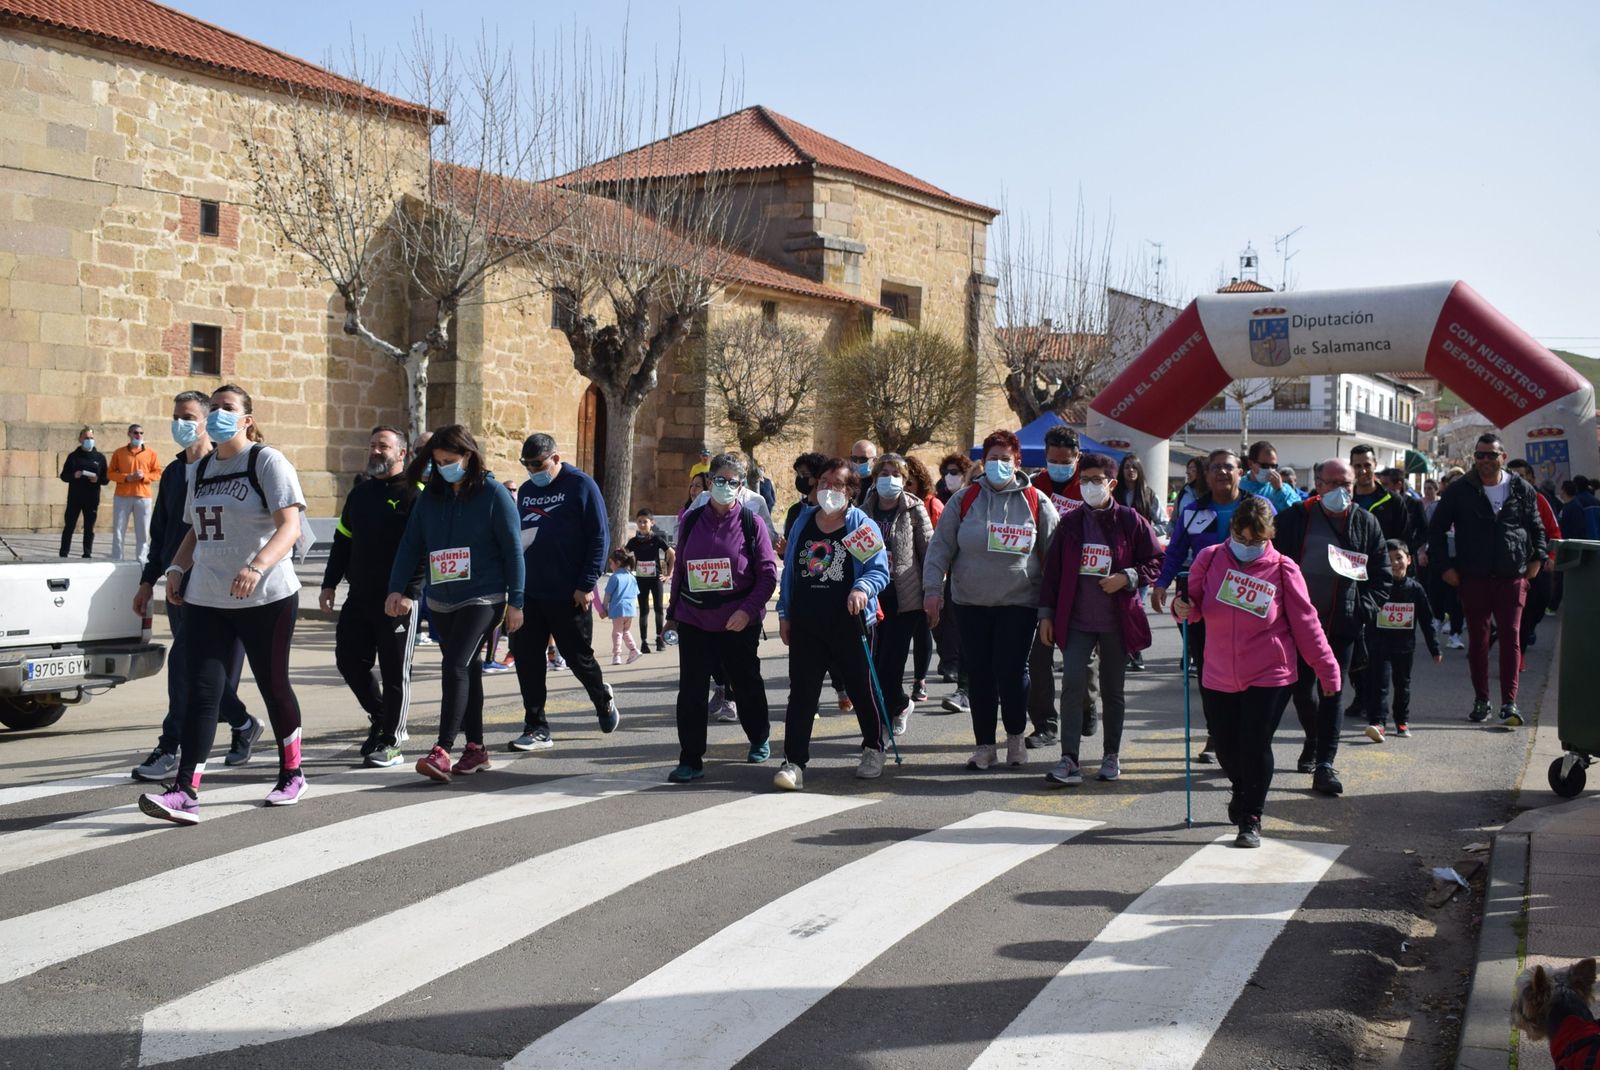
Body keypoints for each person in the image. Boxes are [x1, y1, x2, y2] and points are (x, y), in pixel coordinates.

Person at [137, 385, 308, 824]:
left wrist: (258, 565)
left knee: (273, 685)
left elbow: (290, 526)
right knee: (202, 693)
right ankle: (186, 791)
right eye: (213, 409)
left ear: (247, 419)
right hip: (208, 597)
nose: (217, 415)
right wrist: (176, 569)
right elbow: (195, 529)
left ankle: (292, 772)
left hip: (265, 596)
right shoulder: (201, 468)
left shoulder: (266, 461)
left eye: (227, 409)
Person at [1173, 497, 1341, 848]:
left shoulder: (1283, 568)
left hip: (1270, 672)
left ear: (1270, 535)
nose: (1247, 546)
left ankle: (1252, 817)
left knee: (1254, 744)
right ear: (1231, 530)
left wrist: (1327, 670)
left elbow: (1306, 623)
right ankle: (1241, 788)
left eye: (1255, 540)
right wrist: (1181, 608)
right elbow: (1193, 610)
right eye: (1241, 537)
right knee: (1225, 746)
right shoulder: (1210, 558)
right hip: (1218, 669)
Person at [130, 392, 259, 782]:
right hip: (177, 584)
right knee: (195, 671)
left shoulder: (225, 467)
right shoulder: (172, 474)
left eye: (187, 416)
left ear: (206, 422)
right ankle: (242, 723)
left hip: (218, 584)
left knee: (189, 669)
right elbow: (162, 533)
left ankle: (171, 747)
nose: (179, 424)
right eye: (174, 417)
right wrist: (148, 579)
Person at [384, 426, 523, 781]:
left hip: (484, 596)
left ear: (468, 456)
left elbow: (513, 550)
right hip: (442, 599)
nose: (442, 468)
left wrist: (516, 602)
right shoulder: (432, 496)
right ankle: (475, 748)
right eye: (436, 462)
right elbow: (410, 545)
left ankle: (442, 749)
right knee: (469, 670)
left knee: (455, 665)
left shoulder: (493, 494)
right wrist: (397, 589)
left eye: (449, 461)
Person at [923, 429, 1060, 771]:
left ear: (1018, 462)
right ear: (983, 463)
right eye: (993, 458)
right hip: (970, 603)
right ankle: (984, 746)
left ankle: (1015, 738)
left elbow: (1054, 557)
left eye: (1006, 458)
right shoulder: (964, 499)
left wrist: (1050, 609)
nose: (1000, 464)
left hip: (1019, 602)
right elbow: (940, 547)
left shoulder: (1036, 500)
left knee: (1012, 671)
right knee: (980, 674)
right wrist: (932, 592)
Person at [1037, 453, 1164, 786]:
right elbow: (1052, 574)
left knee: (1113, 690)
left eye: (1097, 481)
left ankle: (1111, 755)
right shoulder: (1070, 523)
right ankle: (1069, 759)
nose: (1090, 487)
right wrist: (1046, 614)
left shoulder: (1130, 520)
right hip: (1076, 621)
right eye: (1085, 480)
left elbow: (1156, 560)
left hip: (1117, 622)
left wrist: (1129, 577)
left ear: (1112, 484)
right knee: (1072, 687)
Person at [1271, 457, 1388, 796]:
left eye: (1346, 484)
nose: (1340, 491)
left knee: (1332, 691)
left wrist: (1362, 609)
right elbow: (1271, 562)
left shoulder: (1366, 523)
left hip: (1341, 624)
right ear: (1318, 485)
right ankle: (1314, 737)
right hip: (1296, 624)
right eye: (1333, 484)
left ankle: (1325, 765)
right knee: (1301, 690)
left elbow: (1381, 577)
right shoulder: (1295, 519)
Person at [774, 457, 892, 789]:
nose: (829, 489)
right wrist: (785, 613)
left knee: (861, 688)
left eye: (837, 484)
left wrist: (861, 588)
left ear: (851, 490)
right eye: (824, 482)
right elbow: (791, 573)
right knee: (802, 694)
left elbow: (878, 570)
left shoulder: (859, 524)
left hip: (849, 622)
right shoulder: (803, 521)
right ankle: (794, 762)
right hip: (808, 622)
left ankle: (873, 746)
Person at [666, 452, 778, 783]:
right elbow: (681, 571)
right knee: (691, 690)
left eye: (732, 482)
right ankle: (690, 758)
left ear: (741, 487)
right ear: (709, 480)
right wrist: (672, 614)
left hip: (737, 620)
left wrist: (747, 611)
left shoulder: (751, 523)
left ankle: (759, 735)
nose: (725, 487)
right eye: (719, 480)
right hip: (694, 617)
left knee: (745, 684)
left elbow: (768, 575)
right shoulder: (691, 519)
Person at [1151, 448, 1269, 763]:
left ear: (1240, 472)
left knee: (1249, 670)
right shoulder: (1191, 511)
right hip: (1201, 604)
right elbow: (1175, 551)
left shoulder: (1259, 507)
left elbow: (1275, 549)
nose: (1221, 472)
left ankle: (1245, 733)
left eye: (1228, 467)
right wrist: (1162, 583)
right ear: (1206, 474)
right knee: (1208, 673)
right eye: (1215, 467)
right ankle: (1216, 733)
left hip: (1249, 602)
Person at [508, 433, 620, 751]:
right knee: (527, 659)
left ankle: (602, 698)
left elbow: (599, 537)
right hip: (531, 592)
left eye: (538, 464)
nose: (532, 470)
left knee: (577, 658)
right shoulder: (527, 492)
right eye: (527, 465)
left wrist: (587, 584)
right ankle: (536, 726)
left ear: (556, 459)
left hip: (569, 594)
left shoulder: (581, 485)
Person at [1427, 432, 1547, 727]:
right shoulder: (1460, 490)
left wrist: (1537, 559)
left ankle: (1510, 703)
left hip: (1512, 576)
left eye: (1490, 455)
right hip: (1474, 577)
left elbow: (1536, 527)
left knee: (1510, 637)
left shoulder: (1521, 489)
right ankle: (1482, 700)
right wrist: (1445, 568)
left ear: (1502, 457)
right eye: (1479, 455)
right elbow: (1436, 530)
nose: (1483, 461)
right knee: (1478, 641)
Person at [319, 426, 422, 767]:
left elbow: (426, 549)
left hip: (397, 600)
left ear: (402, 454)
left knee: (395, 673)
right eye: (373, 445)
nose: (376, 451)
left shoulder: (416, 493)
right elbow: (343, 541)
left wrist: (409, 592)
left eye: (384, 446)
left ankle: (392, 741)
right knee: (349, 662)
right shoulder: (360, 493)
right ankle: (381, 717)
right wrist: (329, 584)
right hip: (359, 596)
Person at [863, 452, 934, 736]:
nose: (888, 479)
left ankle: (901, 705)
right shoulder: (863, 510)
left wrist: (933, 593)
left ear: (905, 480)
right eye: (883, 474)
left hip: (904, 601)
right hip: (871, 599)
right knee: (871, 667)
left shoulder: (914, 509)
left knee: (890, 667)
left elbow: (929, 553)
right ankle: (881, 723)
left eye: (895, 475)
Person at [1025, 424, 1087, 749]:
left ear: (1078, 456)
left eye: (1066, 460)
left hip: (1082, 591)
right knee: (1038, 660)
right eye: (1053, 459)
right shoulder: (1034, 487)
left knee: (1083, 666)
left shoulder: (1090, 487)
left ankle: (1087, 707)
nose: (1059, 465)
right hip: (1043, 587)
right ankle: (1045, 725)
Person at [1363, 540, 1442, 741]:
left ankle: (1401, 721)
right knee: (1379, 684)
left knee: (1402, 685)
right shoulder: (1379, 586)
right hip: (1379, 645)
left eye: (1398, 558)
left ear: (1409, 560)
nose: (1395, 563)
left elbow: (1426, 620)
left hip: (1404, 648)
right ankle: (1378, 723)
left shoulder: (1415, 589)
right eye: (1389, 560)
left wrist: (1435, 648)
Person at [1507, 458, 1561, 663]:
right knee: (1519, 611)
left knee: (1539, 604)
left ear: (1531, 477)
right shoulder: (1500, 500)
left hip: (1538, 563)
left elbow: (1554, 531)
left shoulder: (1540, 500)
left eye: (1522, 476)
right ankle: (1517, 655)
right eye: (1513, 476)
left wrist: (1552, 557)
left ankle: (1524, 635)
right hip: (1511, 566)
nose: (1518, 480)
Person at [904, 454, 943, 701]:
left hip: (922, 579)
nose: (905, 487)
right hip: (897, 580)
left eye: (909, 482)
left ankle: (920, 680)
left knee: (921, 631)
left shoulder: (932, 506)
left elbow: (940, 546)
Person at [107, 422, 162, 562]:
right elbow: (110, 474)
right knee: (119, 530)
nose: (138, 435)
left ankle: (142, 561)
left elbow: (157, 473)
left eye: (141, 433)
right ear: (129, 434)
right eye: (135, 432)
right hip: (122, 496)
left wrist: (144, 476)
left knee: (143, 532)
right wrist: (127, 477)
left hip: (143, 496)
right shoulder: (119, 452)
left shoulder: (150, 453)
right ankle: (117, 559)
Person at [625, 509, 674, 652]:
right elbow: (622, 555)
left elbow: (672, 554)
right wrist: (626, 570)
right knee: (644, 611)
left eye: (645, 521)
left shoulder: (657, 539)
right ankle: (644, 642)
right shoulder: (633, 541)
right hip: (641, 579)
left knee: (659, 609)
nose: (641, 524)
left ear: (652, 523)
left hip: (656, 579)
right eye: (639, 521)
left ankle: (659, 639)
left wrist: (668, 574)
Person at [59, 425, 107, 558]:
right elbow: (64, 476)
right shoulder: (73, 457)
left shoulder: (100, 458)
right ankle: (64, 552)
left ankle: (87, 552)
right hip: (75, 498)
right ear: (80, 439)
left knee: (89, 528)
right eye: (86, 438)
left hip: (92, 498)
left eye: (91, 438)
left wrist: (97, 479)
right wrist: (74, 475)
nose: (89, 440)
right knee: (69, 526)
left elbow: (106, 478)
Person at [1350, 444, 1408, 541]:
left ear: (1375, 464)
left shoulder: (1394, 500)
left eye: (1367, 465)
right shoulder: (1345, 499)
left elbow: (1404, 539)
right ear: (1351, 467)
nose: (1363, 471)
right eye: (1357, 466)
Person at [599, 548, 642, 665]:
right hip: (630, 609)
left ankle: (616, 655)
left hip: (618, 609)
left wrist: (604, 608)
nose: (610, 566)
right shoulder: (631, 577)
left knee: (617, 633)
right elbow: (636, 594)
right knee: (625, 631)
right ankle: (633, 650)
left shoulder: (614, 577)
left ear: (617, 563)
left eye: (611, 563)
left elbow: (608, 595)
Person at [1241, 440, 1301, 512]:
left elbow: (1296, 513)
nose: (1270, 470)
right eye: (1264, 466)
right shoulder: (1239, 486)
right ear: (1250, 464)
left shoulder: (1285, 489)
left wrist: (1279, 491)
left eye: (1273, 466)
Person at [849, 439, 879, 503]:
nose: (858, 463)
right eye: (854, 459)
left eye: (863, 459)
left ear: (875, 460)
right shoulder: (847, 481)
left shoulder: (880, 484)